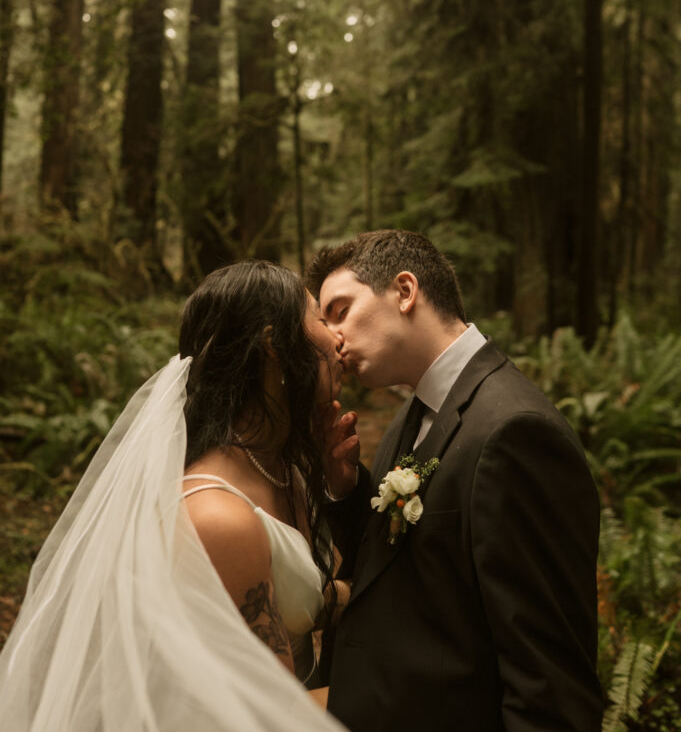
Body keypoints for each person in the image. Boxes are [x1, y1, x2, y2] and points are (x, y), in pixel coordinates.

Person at [0, 260, 347, 732]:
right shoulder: (219, 517)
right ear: (272, 345)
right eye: (321, 320)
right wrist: (422, 690)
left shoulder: (284, 470)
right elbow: (272, 716)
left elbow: (305, 596)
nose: (338, 337)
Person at [307, 229, 604, 732]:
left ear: (405, 292)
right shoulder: (411, 415)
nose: (332, 339)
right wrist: (345, 488)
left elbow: (548, 680)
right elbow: (406, 569)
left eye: (339, 310)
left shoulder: (516, 432)